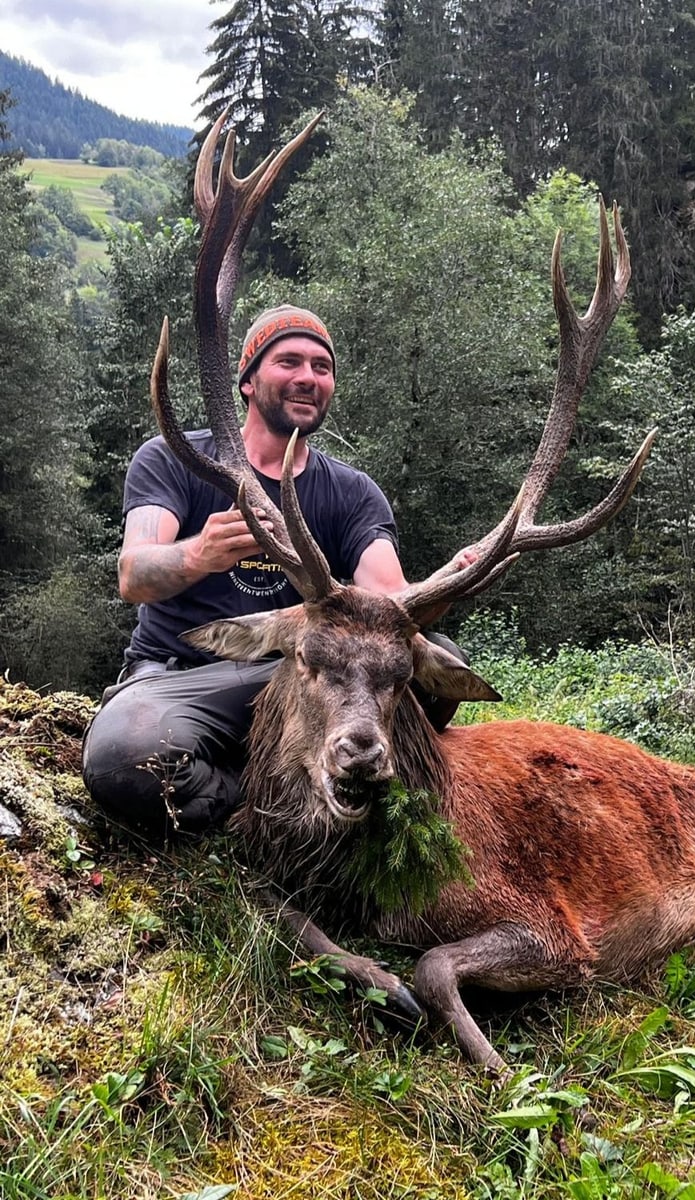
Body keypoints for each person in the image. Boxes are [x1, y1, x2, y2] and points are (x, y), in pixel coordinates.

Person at [82, 305, 468, 839]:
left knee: (442, 663)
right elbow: (135, 573)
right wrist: (200, 554)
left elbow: (388, 599)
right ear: (246, 379)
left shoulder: (353, 493)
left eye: (321, 366)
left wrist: (440, 588)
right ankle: (261, 804)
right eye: (289, 361)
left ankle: (304, 782)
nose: (308, 378)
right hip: (186, 679)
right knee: (123, 757)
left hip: (304, 677)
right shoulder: (173, 459)